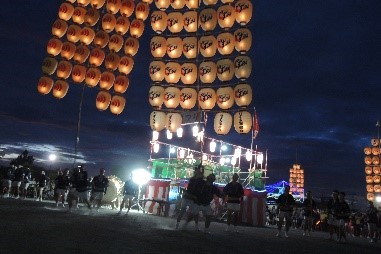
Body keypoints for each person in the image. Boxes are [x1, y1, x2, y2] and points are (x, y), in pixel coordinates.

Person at [175, 165, 204, 230]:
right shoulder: (193, 179)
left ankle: (195, 226)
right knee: (183, 210)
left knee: (194, 213)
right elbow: (191, 189)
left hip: (191, 197)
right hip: (189, 196)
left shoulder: (197, 180)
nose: (198, 172)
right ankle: (177, 224)